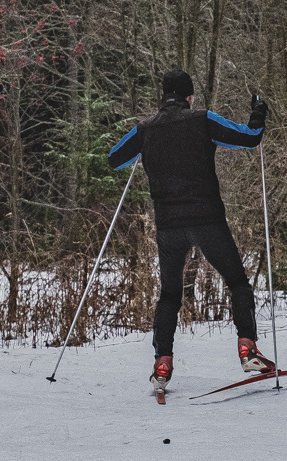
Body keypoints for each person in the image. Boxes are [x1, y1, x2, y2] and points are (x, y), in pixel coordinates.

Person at [107, 69, 271, 395]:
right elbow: (251, 137)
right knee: (237, 282)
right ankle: (247, 350)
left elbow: (114, 159)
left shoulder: (145, 130)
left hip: (169, 227)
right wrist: (259, 110)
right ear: (190, 97)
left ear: (163, 97)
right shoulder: (203, 120)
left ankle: (162, 363)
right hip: (207, 220)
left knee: (170, 295)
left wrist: (142, 146)